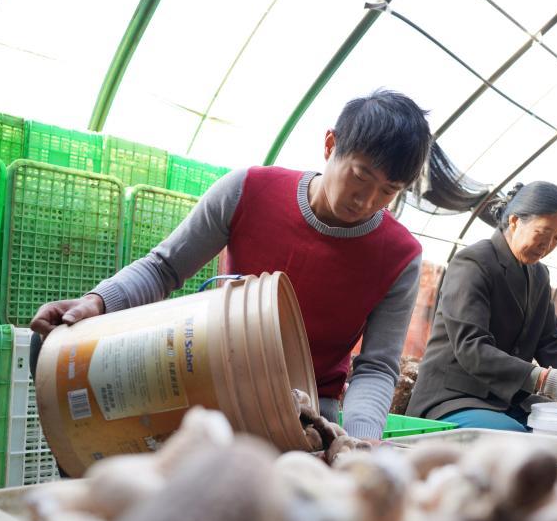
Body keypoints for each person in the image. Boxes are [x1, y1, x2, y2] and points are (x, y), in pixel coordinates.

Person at [30, 90, 432, 441]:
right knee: (55, 344)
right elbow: (163, 268)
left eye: (388, 191)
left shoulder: (400, 255)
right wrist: (98, 302)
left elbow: (376, 367)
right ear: (331, 145)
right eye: (361, 176)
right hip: (206, 379)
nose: (367, 200)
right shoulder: (249, 190)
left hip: (306, 409)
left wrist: (360, 445)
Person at [406, 181, 557, 431]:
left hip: (505, 400)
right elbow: (471, 347)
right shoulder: (473, 262)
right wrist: (544, 379)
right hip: (452, 399)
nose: (548, 245)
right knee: (518, 439)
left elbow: (550, 341)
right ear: (515, 221)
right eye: (543, 233)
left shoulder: (539, 275)